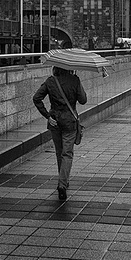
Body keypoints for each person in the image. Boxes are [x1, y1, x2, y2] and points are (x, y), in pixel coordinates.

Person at [33, 66, 87, 200]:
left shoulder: (51, 81)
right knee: (67, 153)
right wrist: (77, 82)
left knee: (59, 152)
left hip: (55, 121)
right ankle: (62, 184)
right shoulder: (74, 80)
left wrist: (47, 115)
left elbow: (36, 98)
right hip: (69, 121)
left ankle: (63, 181)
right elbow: (83, 100)